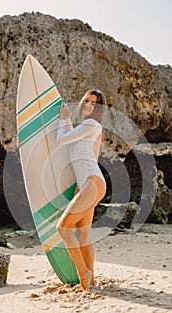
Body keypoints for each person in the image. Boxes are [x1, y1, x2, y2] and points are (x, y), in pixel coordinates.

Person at [56, 89, 107, 291]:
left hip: (91, 183)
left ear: (98, 108)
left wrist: (62, 119)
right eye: (86, 100)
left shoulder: (91, 124)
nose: (88, 105)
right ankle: (91, 278)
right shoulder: (90, 128)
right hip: (91, 184)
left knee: (63, 229)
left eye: (93, 103)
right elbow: (72, 140)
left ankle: (83, 274)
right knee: (83, 235)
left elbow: (61, 139)